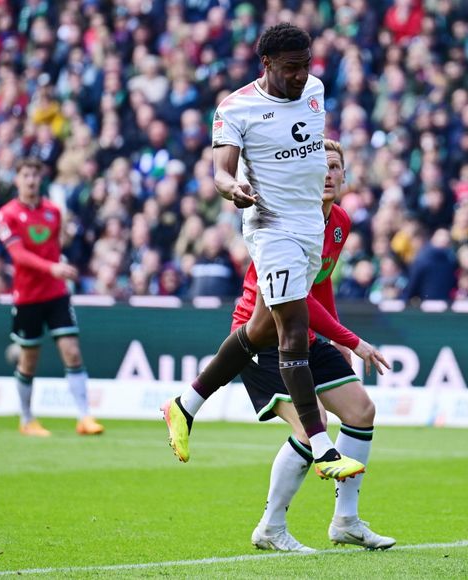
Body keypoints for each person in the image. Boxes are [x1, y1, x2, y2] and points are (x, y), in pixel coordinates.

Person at [162, 23, 362, 481]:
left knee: (260, 331)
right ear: (266, 64)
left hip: (311, 227)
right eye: (290, 68)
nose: (300, 76)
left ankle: (185, 404)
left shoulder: (315, 89)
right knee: (292, 329)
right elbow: (220, 172)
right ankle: (323, 448)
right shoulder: (236, 108)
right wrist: (234, 189)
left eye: (305, 65)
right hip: (271, 229)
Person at [238, 140, 394, 552]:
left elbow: (320, 282)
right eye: (319, 166)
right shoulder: (291, 222)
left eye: (335, 168)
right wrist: (352, 341)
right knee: (313, 427)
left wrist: (335, 336)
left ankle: (346, 521)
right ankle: (270, 528)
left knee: (361, 410)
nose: (327, 174)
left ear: (345, 177)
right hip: (263, 337)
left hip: (303, 335)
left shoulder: (339, 221)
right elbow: (296, 297)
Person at [0, 158, 104, 437]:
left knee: (72, 350)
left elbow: (54, 247)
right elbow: (18, 255)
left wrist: (61, 261)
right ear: (17, 179)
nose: (31, 180)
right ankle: (27, 419)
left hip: (56, 293)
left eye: (34, 175)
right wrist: (53, 267)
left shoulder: (53, 212)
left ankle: (85, 417)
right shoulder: (7, 214)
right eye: (25, 175)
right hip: (27, 296)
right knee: (29, 359)